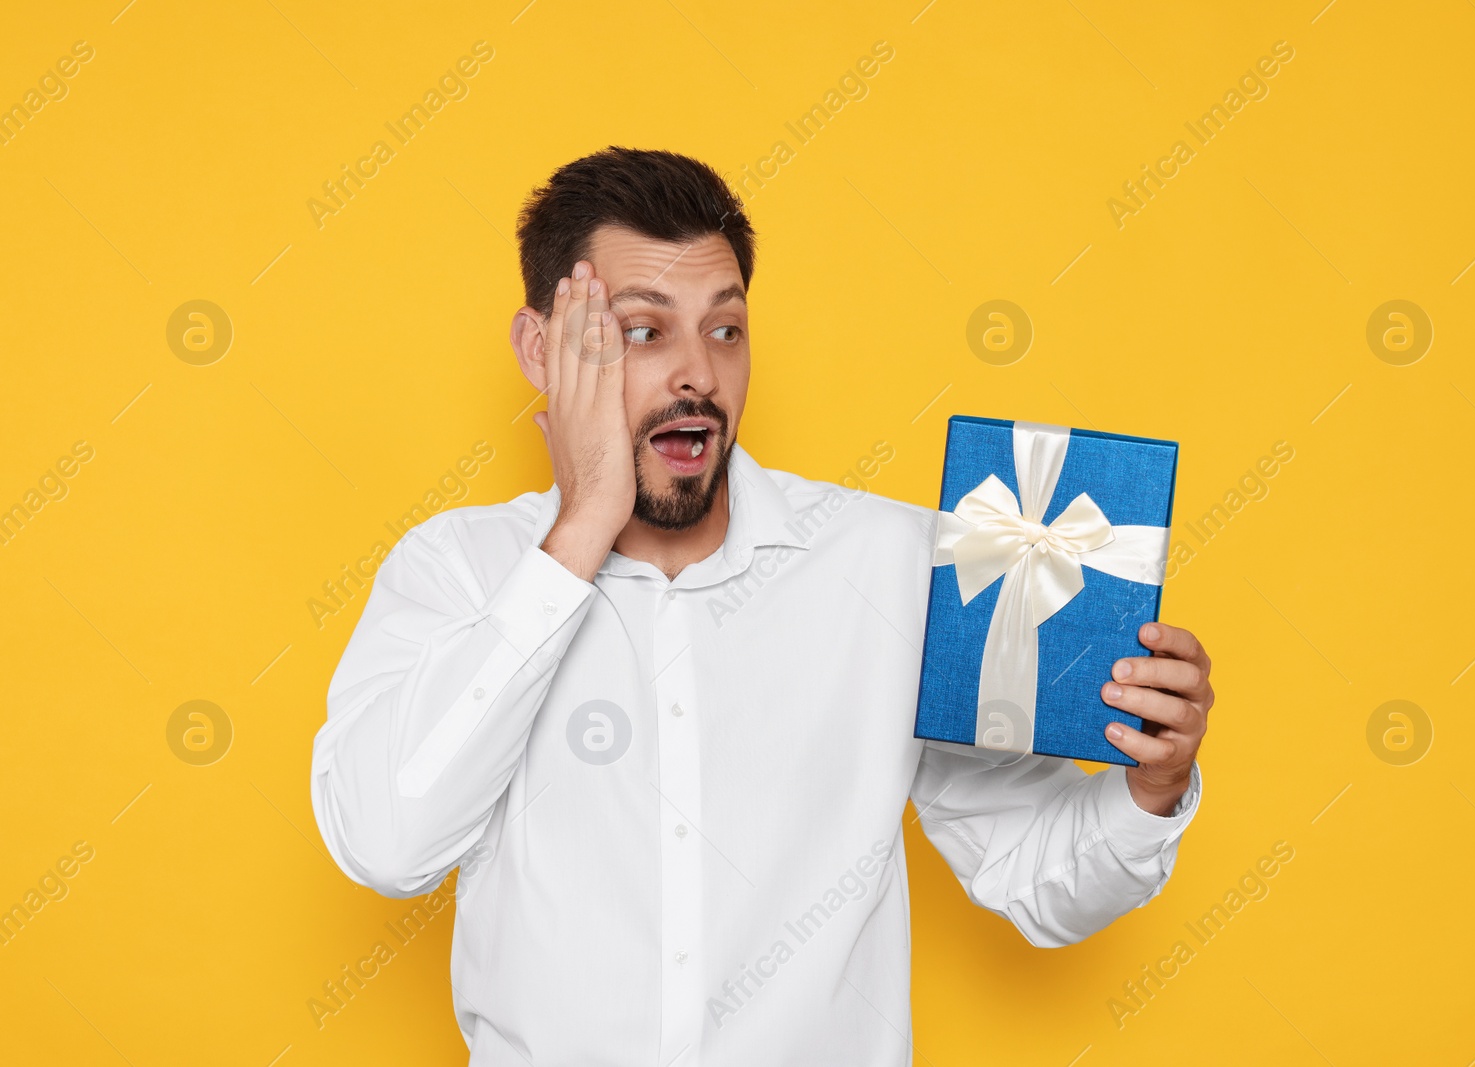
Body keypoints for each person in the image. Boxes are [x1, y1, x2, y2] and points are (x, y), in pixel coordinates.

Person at [310, 146, 1214, 1066]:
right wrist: (582, 523)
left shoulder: (899, 564)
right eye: (641, 332)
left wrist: (1151, 787)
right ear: (542, 351)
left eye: (726, 330)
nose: (696, 374)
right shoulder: (457, 572)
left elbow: (1035, 874)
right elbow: (385, 843)